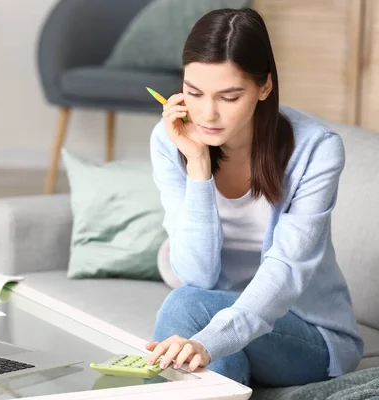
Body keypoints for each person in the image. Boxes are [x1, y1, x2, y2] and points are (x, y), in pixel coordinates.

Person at [146, 7, 363, 387]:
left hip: (306, 334)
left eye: (229, 97)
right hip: (219, 323)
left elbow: (286, 271)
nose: (207, 114)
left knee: (184, 308)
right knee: (196, 329)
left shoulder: (316, 149)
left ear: (264, 88)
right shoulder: (169, 140)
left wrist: (207, 342)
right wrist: (198, 167)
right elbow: (195, 274)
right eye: (194, 93)